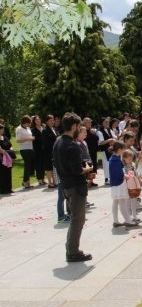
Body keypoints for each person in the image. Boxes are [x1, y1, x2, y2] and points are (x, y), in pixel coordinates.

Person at [53, 112, 94, 262]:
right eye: (78, 126)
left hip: (64, 184)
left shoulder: (58, 142)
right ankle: (73, 251)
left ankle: (71, 247)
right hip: (75, 186)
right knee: (78, 220)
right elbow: (77, 170)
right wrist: (88, 169)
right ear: (73, 126)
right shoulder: (72, 145)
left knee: (74, 218)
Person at [109, 141, 138, 228]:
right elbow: (119, 174)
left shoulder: (113, 159)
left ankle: (116, 220)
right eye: (123, 149)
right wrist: (126, 176)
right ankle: (127, 220)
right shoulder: (116, 160)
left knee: (116, 201)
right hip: (119, 183)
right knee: (121, 201)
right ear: (119, 149)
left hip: (115, 183)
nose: (124, 150)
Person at [16, 115, 35, 189]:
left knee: (29, 164)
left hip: (29, 147)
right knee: (27, 164)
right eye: (28, 123)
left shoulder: (28, 128)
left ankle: (27, 180)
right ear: (25, 122)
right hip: (24, 148)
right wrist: (28, 139)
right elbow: (18, 140)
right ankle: (24, 181)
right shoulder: (19, 129)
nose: (29, 124)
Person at [122, 150, 140, 222]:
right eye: (129, 159)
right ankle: (128, 215)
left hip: (133, 183)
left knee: (134, 199)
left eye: (131, 159)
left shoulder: (133, 165)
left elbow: (136, 173)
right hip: (127, 183)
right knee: (127, 200)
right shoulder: (123, 166)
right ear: (124, 158)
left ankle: (134, 215)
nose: (130, 161)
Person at [97, 117, 116, 184]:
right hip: (104, 149)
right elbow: (101, 142)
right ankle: (106, 178)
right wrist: (109, 140)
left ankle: (112, 176)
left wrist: (112, 140)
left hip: (110, 148)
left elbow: (114, 137)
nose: (107, 123)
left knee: (111, 162)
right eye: (106, 122)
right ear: (102, 123)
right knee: (106, 163)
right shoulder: (99, 131)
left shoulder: (108, 129)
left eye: (108, 122)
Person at [41, 115, 58, 188]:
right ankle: (50, 182)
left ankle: (54, 181)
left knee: (53, 166)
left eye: (53, 120)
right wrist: (54, 142)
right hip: (48, 151)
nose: (52, 122)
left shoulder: (54, 129)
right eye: (50, 120)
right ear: (46, 122)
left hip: (53, 150)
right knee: (49, 167)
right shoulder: (45, 130)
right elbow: (44, 142)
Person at [31, 115, 46, 185]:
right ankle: (39, 178)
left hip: (44, 148)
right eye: (36, 120)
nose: (38, 121)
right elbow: (35, 138)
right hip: (37, 148)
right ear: (34, 121)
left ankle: (43, 177)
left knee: (43, 163)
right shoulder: (33, 129)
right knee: (38, 163)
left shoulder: (43, 128)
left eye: (39, 119)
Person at [83, 118, 99, 184]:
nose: (90, 124)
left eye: (90, 122)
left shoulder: (91, 130)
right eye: (88, 122)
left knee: (93, 164)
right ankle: (87, 180)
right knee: (87, 164)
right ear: (85, 123)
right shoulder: (83, 131)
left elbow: (97, 138)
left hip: (93, 149)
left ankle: (91, 180)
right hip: (86, 150)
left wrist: (94, 133)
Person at [0, 124, 14, 194]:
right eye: (1, 129)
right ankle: (3, 189)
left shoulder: (5, 137)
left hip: (7, 156)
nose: (2, 130)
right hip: (1, 157)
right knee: (2, 173)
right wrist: (4, 152)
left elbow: (10, 145)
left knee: (8, 172)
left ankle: (9, 188)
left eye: (3, 129)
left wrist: (10, 151)